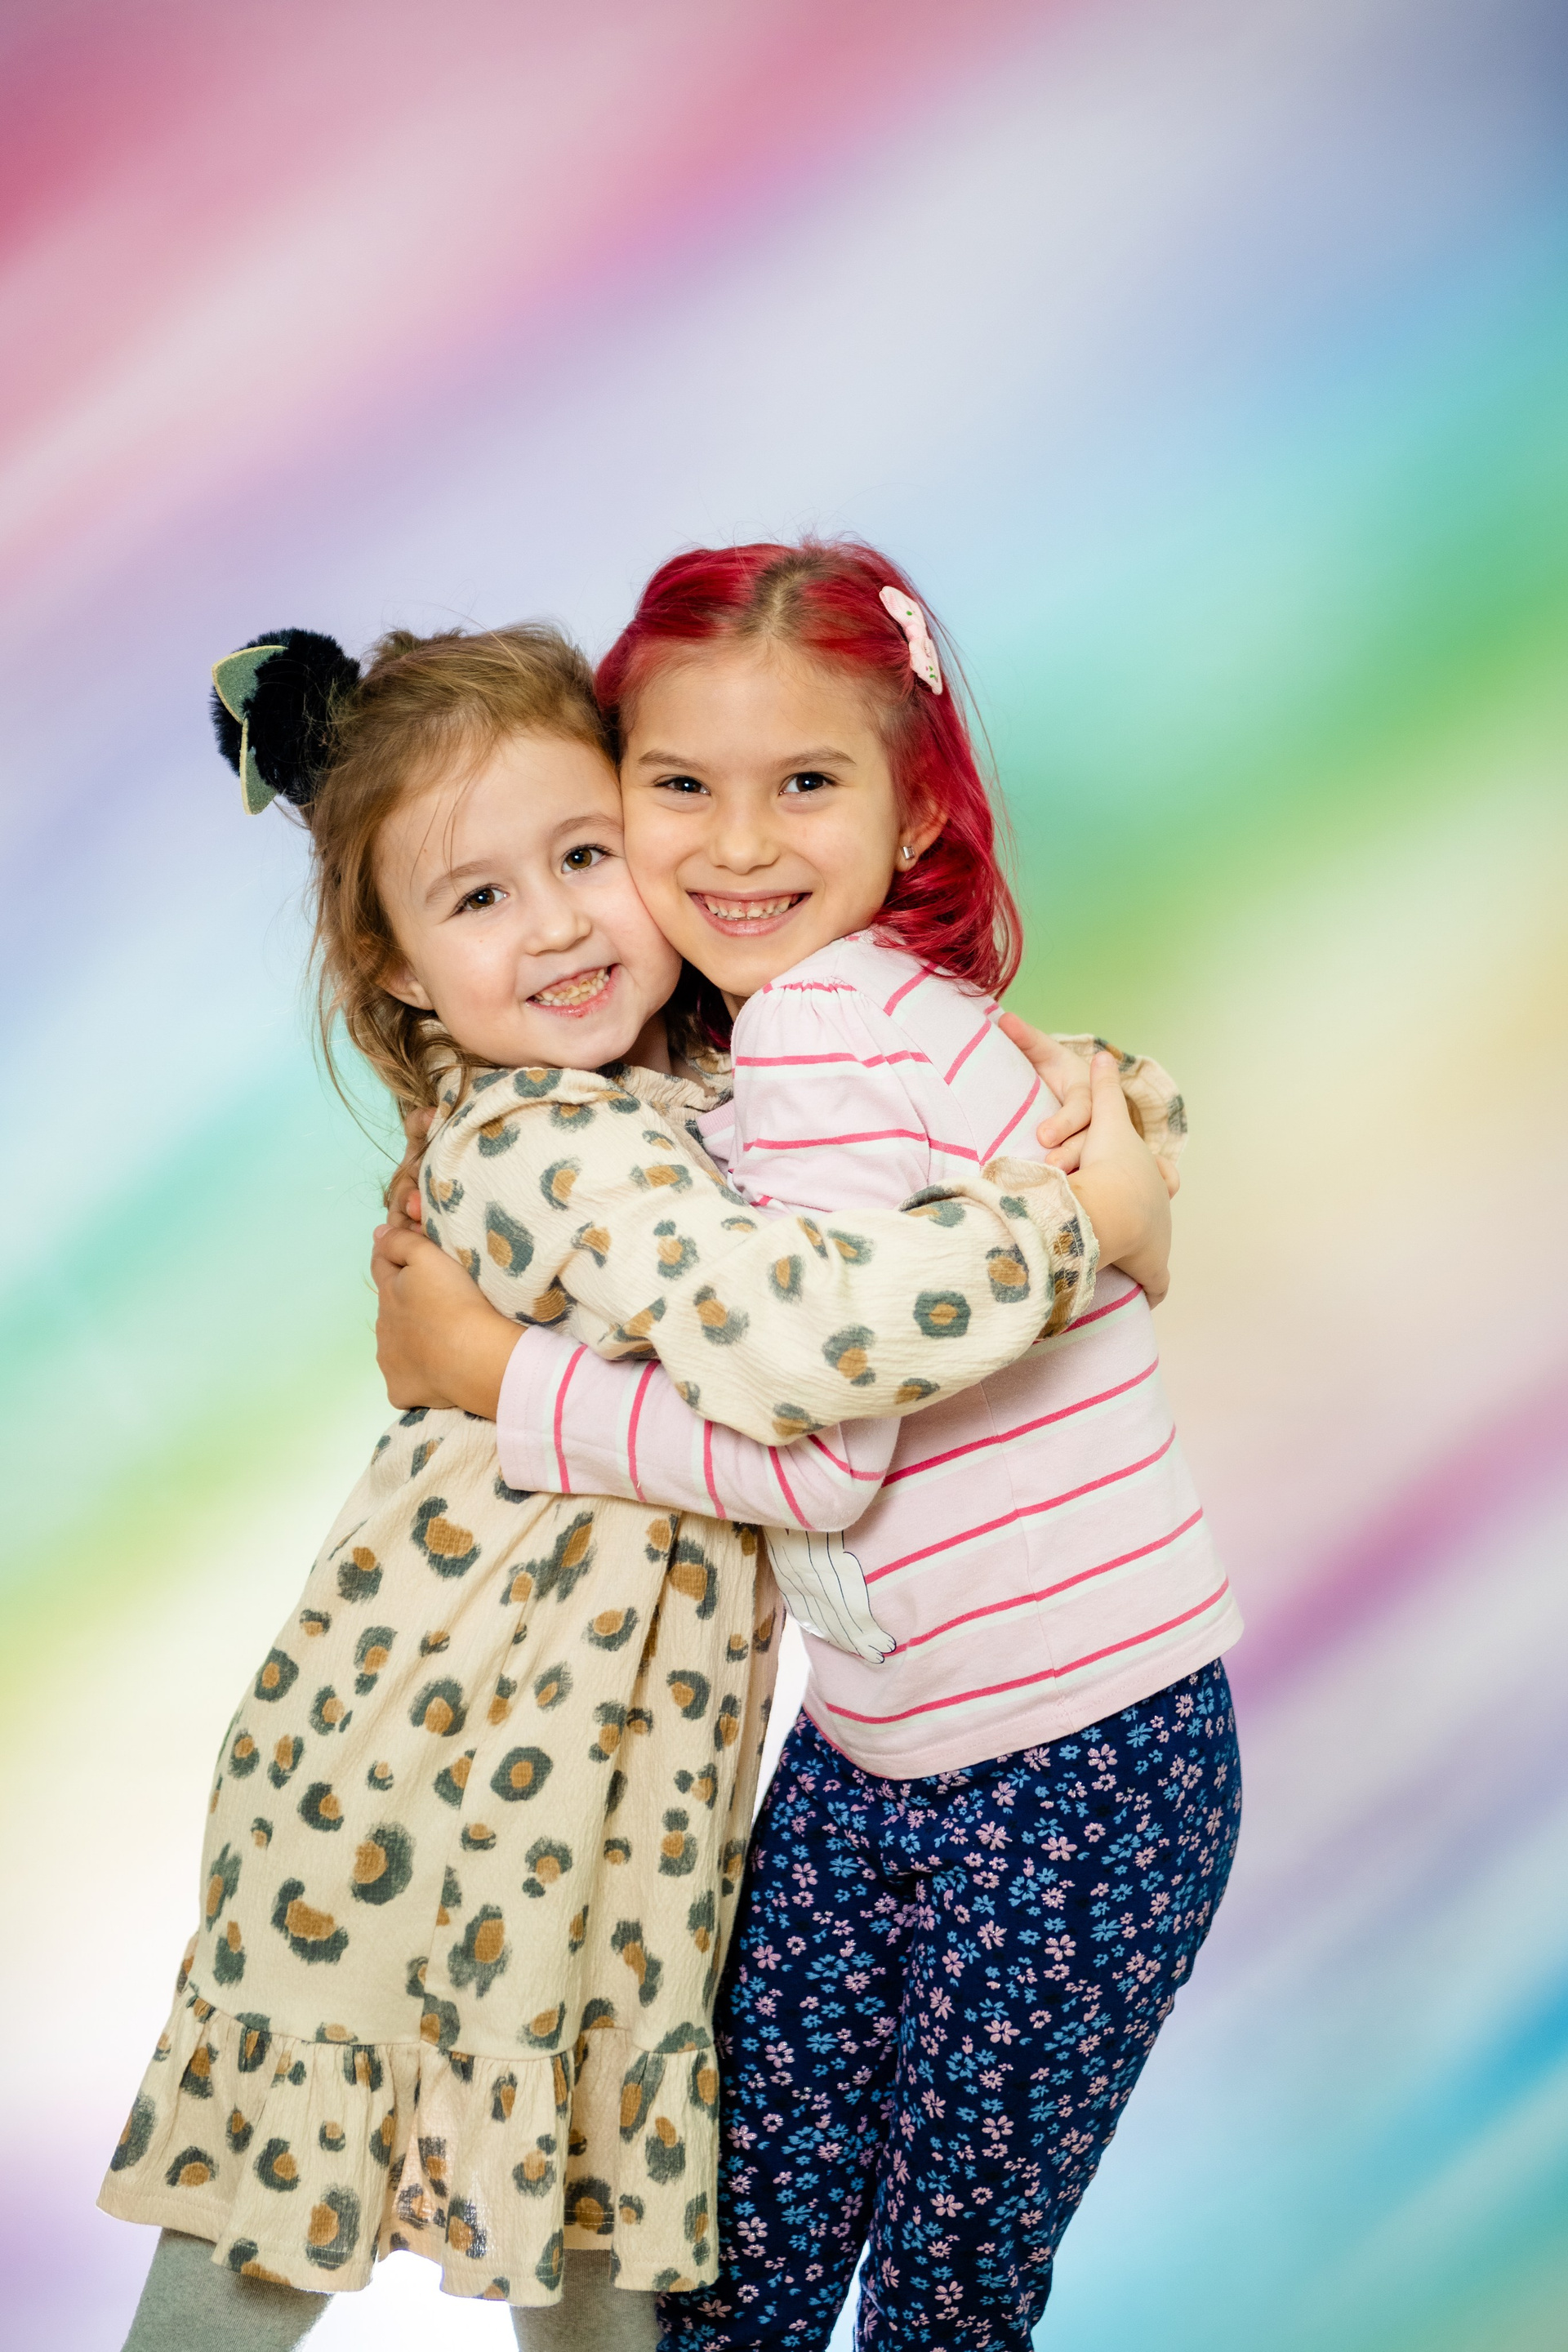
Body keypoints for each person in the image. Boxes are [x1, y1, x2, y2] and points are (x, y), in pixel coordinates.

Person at [104, 618, 1171, 2351]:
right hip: (428, 1779)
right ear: (395, 969)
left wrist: (1118, 1112)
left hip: (626, 1801)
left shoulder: (704, 1086)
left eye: (586, 855)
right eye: (478, 898)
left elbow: (952, 1109)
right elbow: (804, 1339)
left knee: (604, 2219)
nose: (558, 926)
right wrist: (1074, 1226)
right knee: (273, 2229)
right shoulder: (553, 1143)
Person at [373, 541, 1243, 2351]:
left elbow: (821, 1455)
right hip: (881, 1752)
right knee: (775, 2268)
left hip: (1080, 1762)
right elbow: (1069, 1119)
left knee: (881, 2293)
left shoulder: (829, 1030)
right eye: (680, 787)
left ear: (917, 812)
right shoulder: (781, 1037)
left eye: (807, 786)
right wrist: (1129, 1162)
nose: (740, 843)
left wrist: (495, 1376)